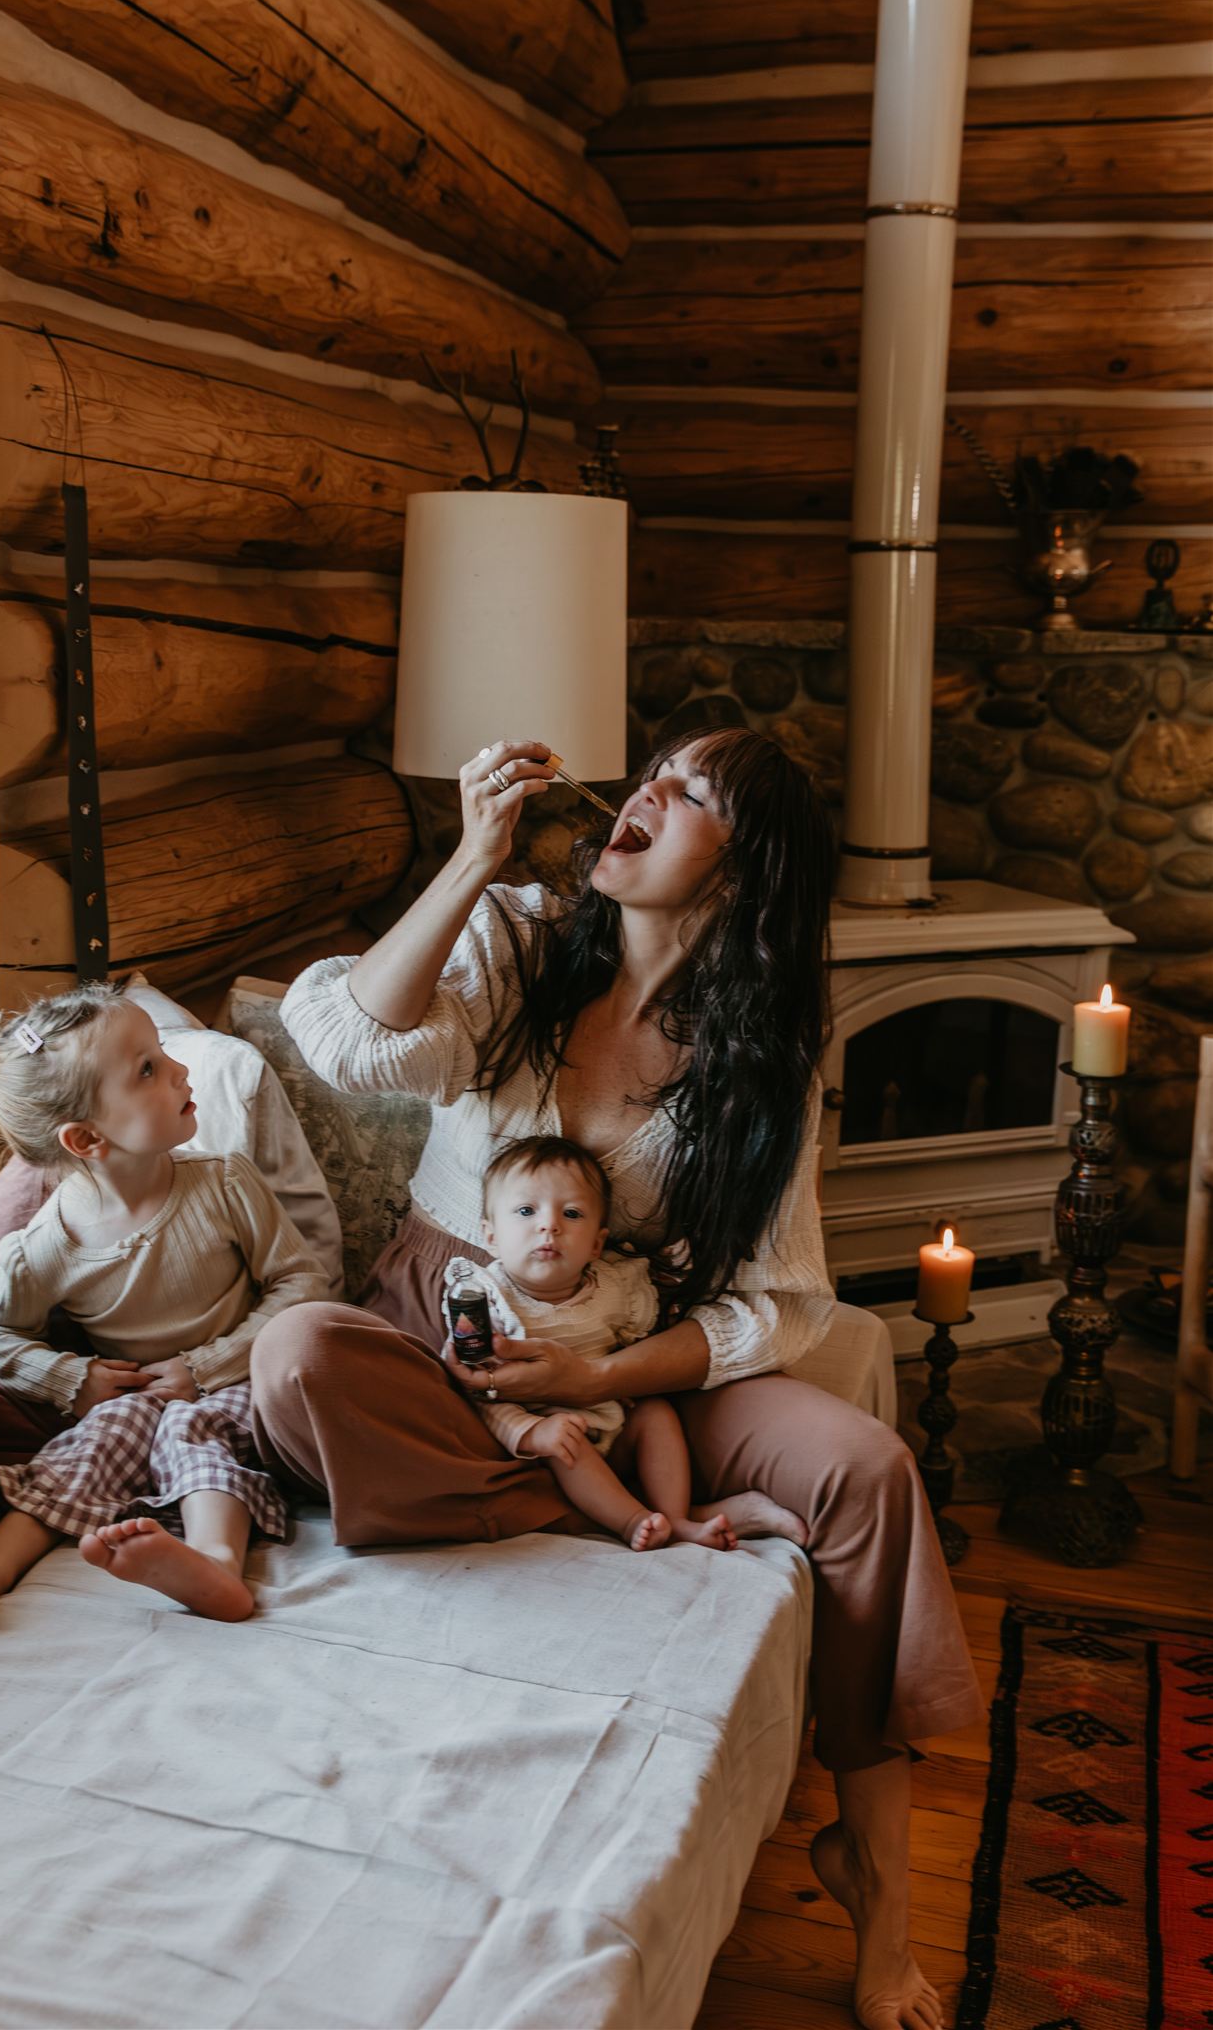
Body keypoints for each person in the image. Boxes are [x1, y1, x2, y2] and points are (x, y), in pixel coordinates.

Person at [251, 728, 983, 2030]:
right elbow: (352, 1045)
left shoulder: (754, 1063)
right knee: (296, 1355)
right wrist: (472, 857)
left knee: (865, 1467)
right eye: (649, 770)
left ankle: (876, 1882)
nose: (641, 792)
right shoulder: (519, 943)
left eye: (687, 792)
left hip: (642, 1356)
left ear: (743, 871)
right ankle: (583, 1491)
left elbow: (776, 1300)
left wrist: (598, 1369)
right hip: (448, 1333)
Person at [0, 981, 331, 1625]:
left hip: (238, 1381)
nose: (181, 1070)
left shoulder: (224, 1183)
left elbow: (301, 1284)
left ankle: (217, 1561)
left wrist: (208, 1367)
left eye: (162, 1054)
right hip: (137, 1397)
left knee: (196, 1426)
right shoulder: (45, 1246)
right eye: (148, 1069)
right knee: (92, 1441)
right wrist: (71, 1378)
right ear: (85, 1140)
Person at [452, 1133, 754, 1552]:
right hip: (543, 1443)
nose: (549, 1225)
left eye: (572, 1213)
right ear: (490, 1236)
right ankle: (632, 1521)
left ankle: (677, 1517)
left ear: (596, 1243)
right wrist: (532, 1431)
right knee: (566, 1444)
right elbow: (479, 1392)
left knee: (656, 1413)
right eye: (526, 1210)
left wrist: (625, 1384)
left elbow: (634, 1349)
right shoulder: (484, 1300)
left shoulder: (616, 1289)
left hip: (610, 1418)